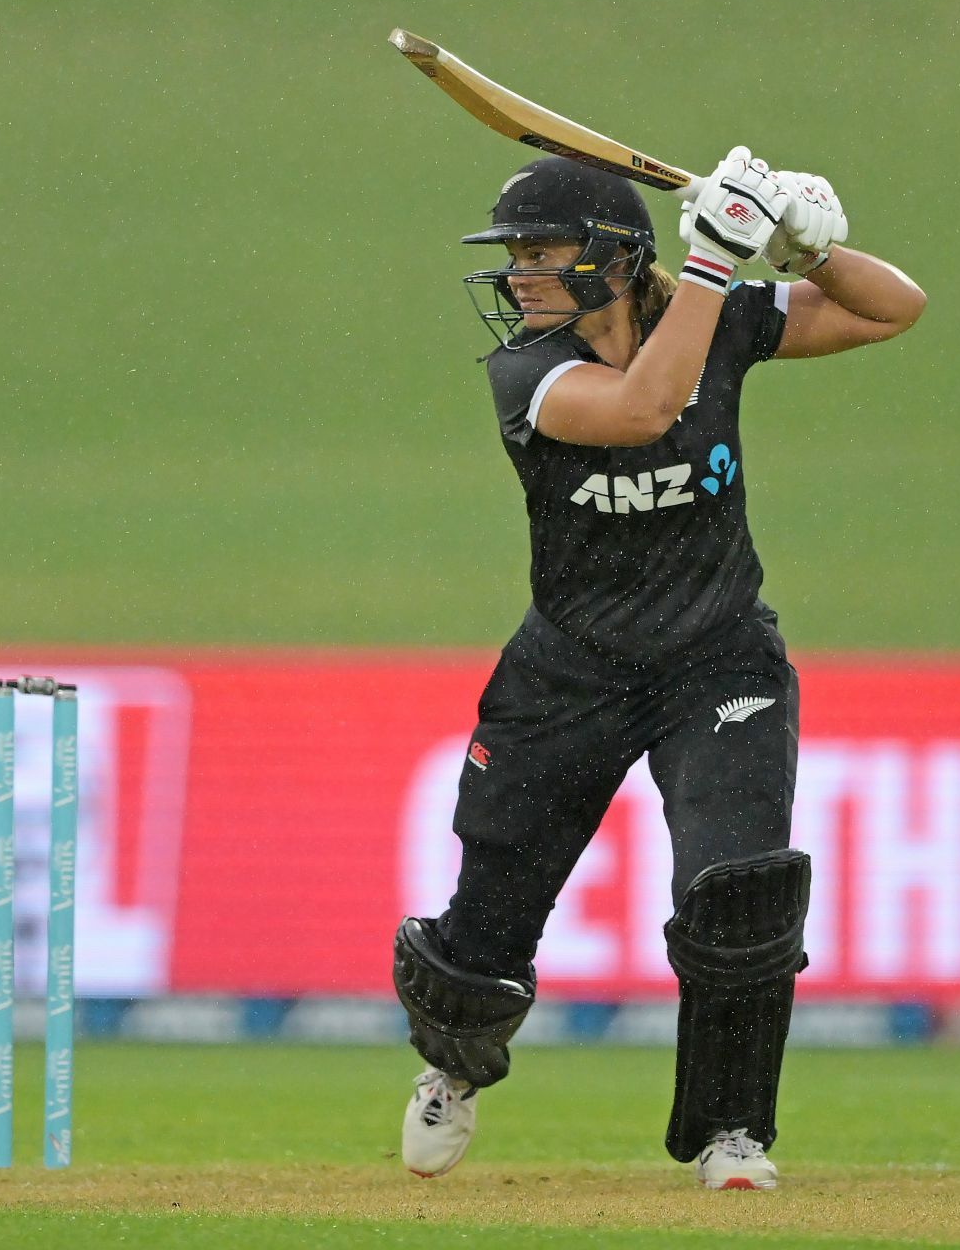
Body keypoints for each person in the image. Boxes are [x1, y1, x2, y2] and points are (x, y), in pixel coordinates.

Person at [392, 148, 925, 1189]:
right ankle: (451, 1067)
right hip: (568, 667)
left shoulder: (716, 318)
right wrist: (719, 265)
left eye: (541, 253)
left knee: (738, 891)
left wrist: (810, 245)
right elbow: (643, 406)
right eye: (515, 256)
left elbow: (891, 309)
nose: (519, 276)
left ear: (613, 259)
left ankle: (734, 1131)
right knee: (494, 901)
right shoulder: (529, 368)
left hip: (718, 655)